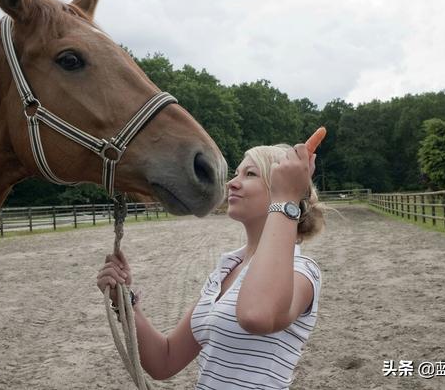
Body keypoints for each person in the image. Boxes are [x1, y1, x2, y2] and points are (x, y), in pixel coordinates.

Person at [97, 142, 324, 389]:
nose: (231, 183)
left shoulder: (301, 271)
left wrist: (286, 199)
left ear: (281, 188)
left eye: (250, 174)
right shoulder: (225, 270)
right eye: (236, 173)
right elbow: (165, 360)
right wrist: (126, 303)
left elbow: (256, 315)